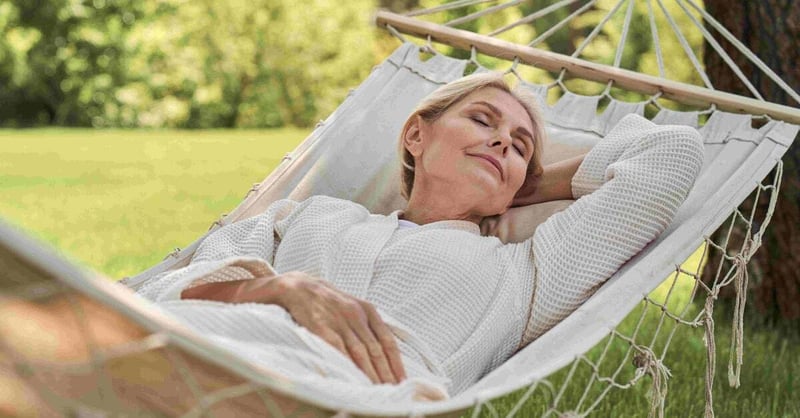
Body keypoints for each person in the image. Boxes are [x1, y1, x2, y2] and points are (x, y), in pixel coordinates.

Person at [0, 72, 704, 412]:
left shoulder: (530, 267)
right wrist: (272, 285)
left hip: (334, 398)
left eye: (519, 143)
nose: (501, 140)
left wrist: (525, 184)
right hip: (197, 344)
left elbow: (671, 156)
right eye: (482, 119)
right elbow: (156, 290)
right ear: (416, 135)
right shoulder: (310, 217)